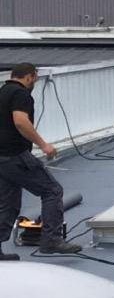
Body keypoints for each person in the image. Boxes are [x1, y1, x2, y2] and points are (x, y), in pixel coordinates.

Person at [0, 63, 82, 259]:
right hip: (15, 156)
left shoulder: (2, 92)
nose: (34, 83)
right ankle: (51, 240)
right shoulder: (21, 94)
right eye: (34, 79)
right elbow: (20, 121)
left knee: (8, 204)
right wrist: (43, 145)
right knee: (52, 191)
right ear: (30, 76)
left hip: (1, 159)